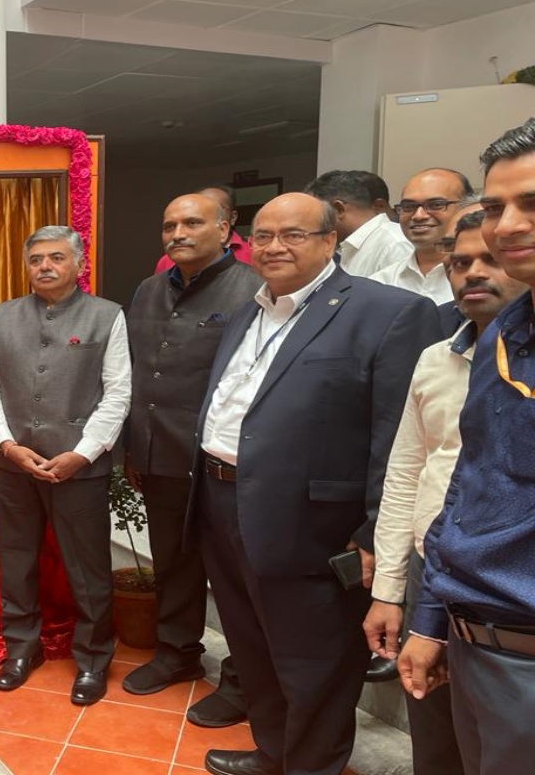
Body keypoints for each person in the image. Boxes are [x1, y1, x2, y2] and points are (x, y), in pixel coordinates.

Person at [193, 194, 441, 775]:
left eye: (294, 235)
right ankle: (274, 753)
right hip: (221, 505)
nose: (274, 246)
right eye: (264, 235)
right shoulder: (247, 312)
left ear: (331, 241)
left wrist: (375, 535)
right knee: (252, 650)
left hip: (315, 527)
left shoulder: (388, 312)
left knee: (315, 667)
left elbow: (400, 440)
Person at [363, 205, 526, 775]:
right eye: (460, 263)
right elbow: (407, 473)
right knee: (436, 740)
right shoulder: (437, 358)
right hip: (432, 577)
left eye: (490, 259)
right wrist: (389, 588)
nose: (472, 274)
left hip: (510, 593)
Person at [399, 118, 535, 775]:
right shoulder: (503, 335)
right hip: (473, 637)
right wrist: (428, 615)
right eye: (497, 206)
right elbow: (468, 482)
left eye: (530, 205)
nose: (507, 225)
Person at [0, 225, 131, 706]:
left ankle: (92, 659)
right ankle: (22, 650)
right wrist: (7, 444)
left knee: (88, 569)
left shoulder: (108, 317)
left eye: (56, 258)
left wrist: (83, 452)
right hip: (14, 466)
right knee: (16, 561)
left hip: (79, 467)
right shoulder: (5, 315)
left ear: (78, 263)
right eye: (37, 259)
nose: (45, 266)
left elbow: (118, 392)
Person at [122, 194, 260, 728]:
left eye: (192, 223)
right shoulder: (149, 290)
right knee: (173, 561)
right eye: (169, 224)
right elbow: (137, 372)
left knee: (234, 574)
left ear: (225, 229)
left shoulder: (252, 289)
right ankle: (177, 652)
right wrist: (134, 447)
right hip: (160, 453)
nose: (177, 232)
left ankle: (244, 679)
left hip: (224, 461)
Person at [369, 168, 472, 304]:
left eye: (436, 205)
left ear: (467, 208)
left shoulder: (482, 279)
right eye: (409, 206)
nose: (418, 216)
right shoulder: (380, 283)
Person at [304, 170, 412, 276]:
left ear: (339, 209)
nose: (310, 223)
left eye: (315, 214)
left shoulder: (394, 244)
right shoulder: (347, 247)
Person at [155, 185, 251, 273]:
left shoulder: (253, 254)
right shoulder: (166, 261)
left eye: (192, 223)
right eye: (170, 226)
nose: (178, 235)